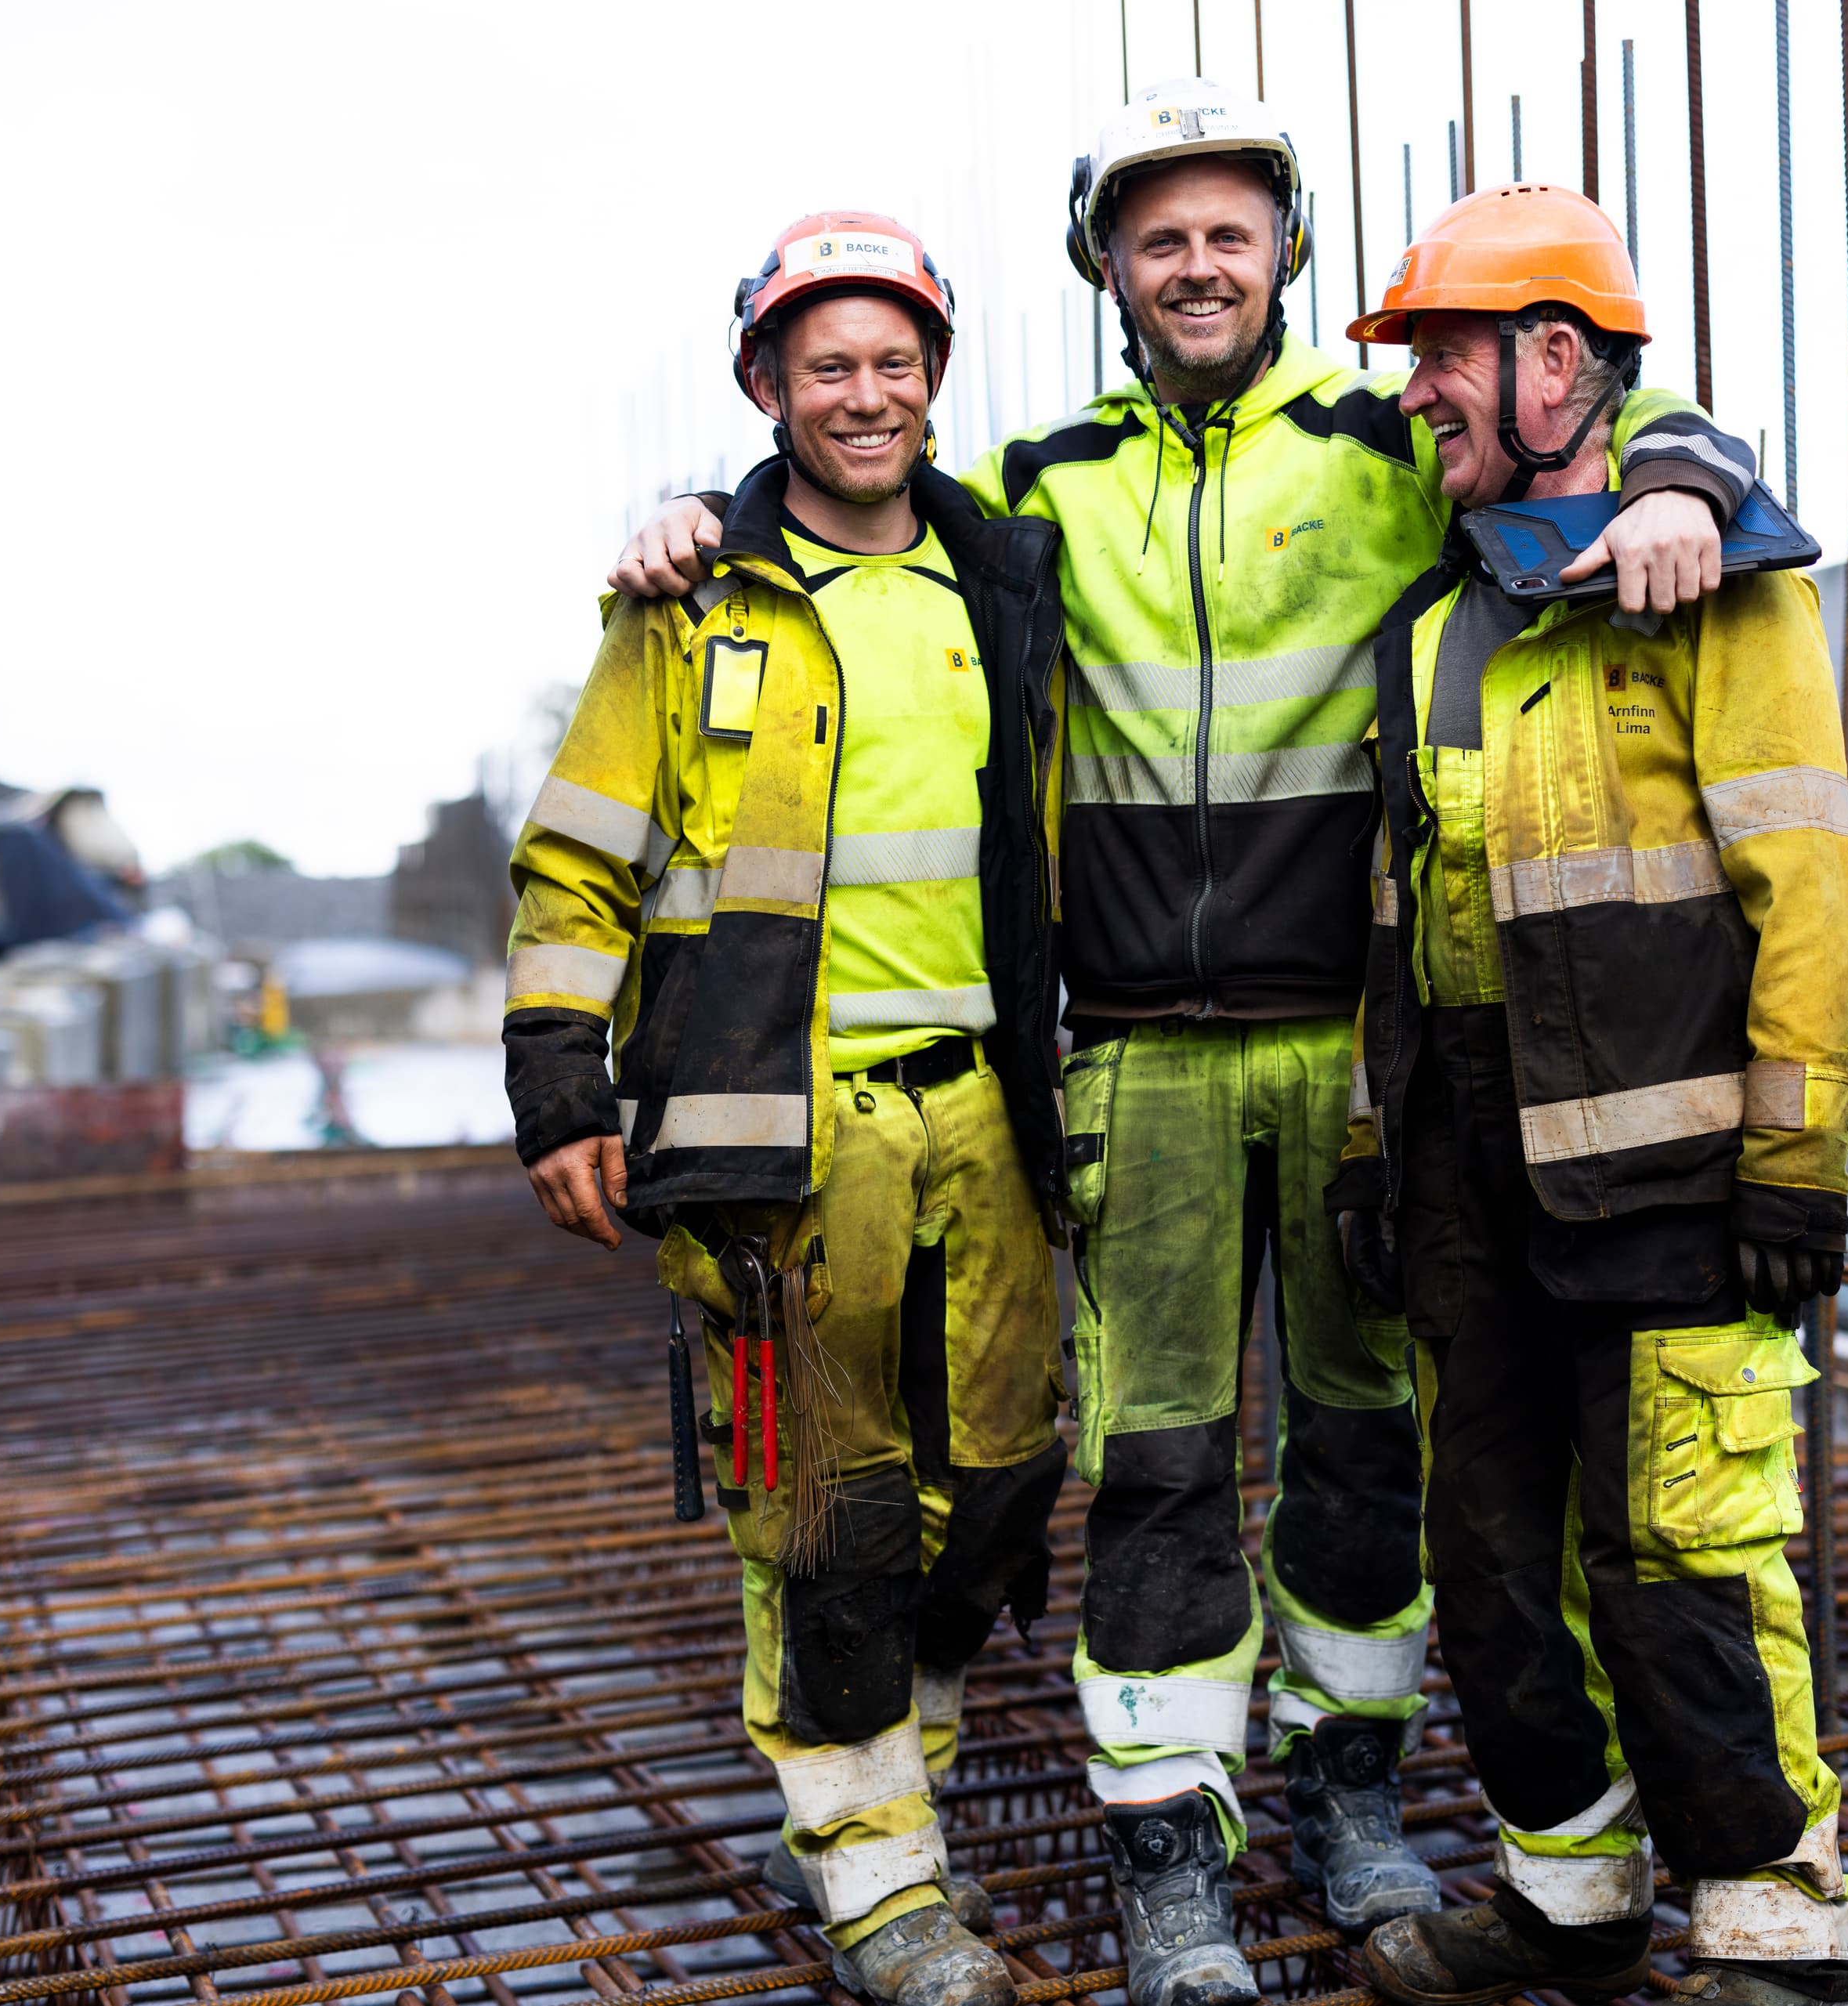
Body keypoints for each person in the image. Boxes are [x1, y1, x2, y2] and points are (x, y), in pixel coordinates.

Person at [609, 83, 1761, 2006]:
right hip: (1134, 1058)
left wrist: (1686, 482)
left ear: (1284, 254)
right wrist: (687, 523)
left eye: (1231, 232)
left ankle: (1358, 1799)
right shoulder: (1040, 490)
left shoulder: (1389, 444)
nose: (1199, 265)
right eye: (1161, 239)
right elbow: (838, 512)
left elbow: (1595, 412)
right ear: (1110, 272)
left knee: (1362, 1455)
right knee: (1155, 1464)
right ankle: (1170, 1862)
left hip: (1355, 1061)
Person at [504, 211, 1075, 2006]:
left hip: (981, 1102)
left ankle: (875, 1791)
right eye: (827, 363)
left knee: (995, 1486)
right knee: (820, 1509)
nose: (867, 393)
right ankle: (881, 1877)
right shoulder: (688, 612)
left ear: (934, 381)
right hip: (774, 1136)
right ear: (766, 387)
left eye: (895, 361)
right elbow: (581, 867)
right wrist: (557, 1091)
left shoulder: (999, 575)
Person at [1327, 184, 1848, 2006]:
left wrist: (1794, 1161)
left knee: (1683, 1567)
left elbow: (1805, 883)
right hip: (1473, 1177)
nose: (1415, 399)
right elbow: (1401, 919)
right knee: (1488, 1563)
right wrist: (1366, 1143)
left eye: (1440, 360)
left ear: (1554, 362)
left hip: (1668, 1169)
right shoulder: (1435, 621)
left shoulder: (1725, 582)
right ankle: (1574, 1899)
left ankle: (1778, 1939)